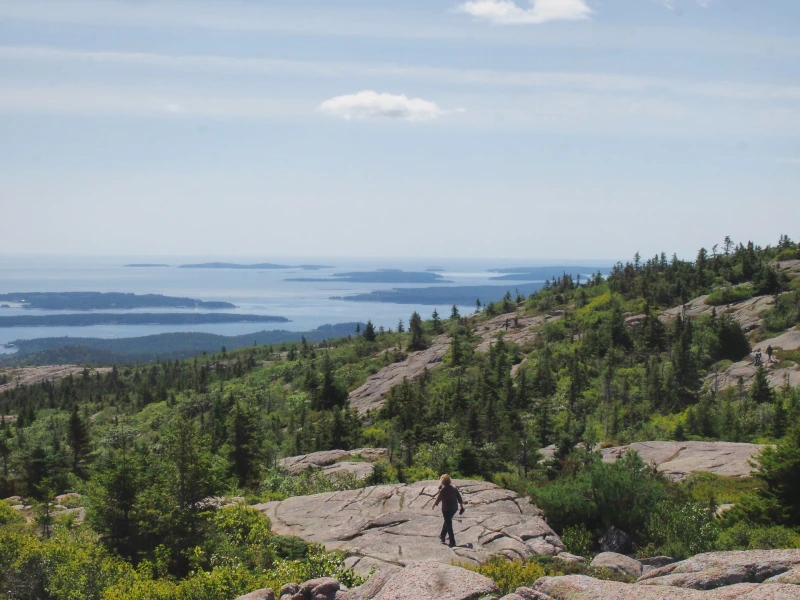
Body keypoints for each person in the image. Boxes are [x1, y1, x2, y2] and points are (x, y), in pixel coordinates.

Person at [432, 474, 464, 548]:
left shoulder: (443, 490)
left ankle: (452, 542)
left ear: (442, 481)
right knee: (447, 521)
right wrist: (462, 507)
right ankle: (442, 536)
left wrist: (434, 505)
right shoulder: (454, 488)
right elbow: (459, 498)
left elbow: (439, 498)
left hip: (446, 509)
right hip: (454, 508)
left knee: (448, 523)